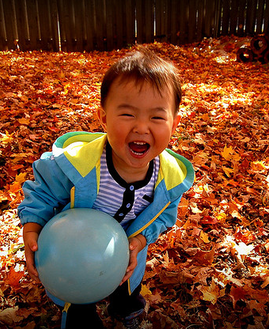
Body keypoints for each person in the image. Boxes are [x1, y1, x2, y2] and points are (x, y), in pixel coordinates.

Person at [17, 48, 195, 329]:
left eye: (157, 118)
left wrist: (138, 242)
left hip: (126, 254)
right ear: (103, 118)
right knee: (78, 294)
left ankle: (125, 304)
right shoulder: (78, 167)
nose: (141, 127)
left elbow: (163, 214)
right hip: (73, 255)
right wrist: (32, 227)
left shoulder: (168, 179)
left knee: (127, 282)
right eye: (127, 114)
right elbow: (42, 191)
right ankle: (81, 316)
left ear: (174, 123)